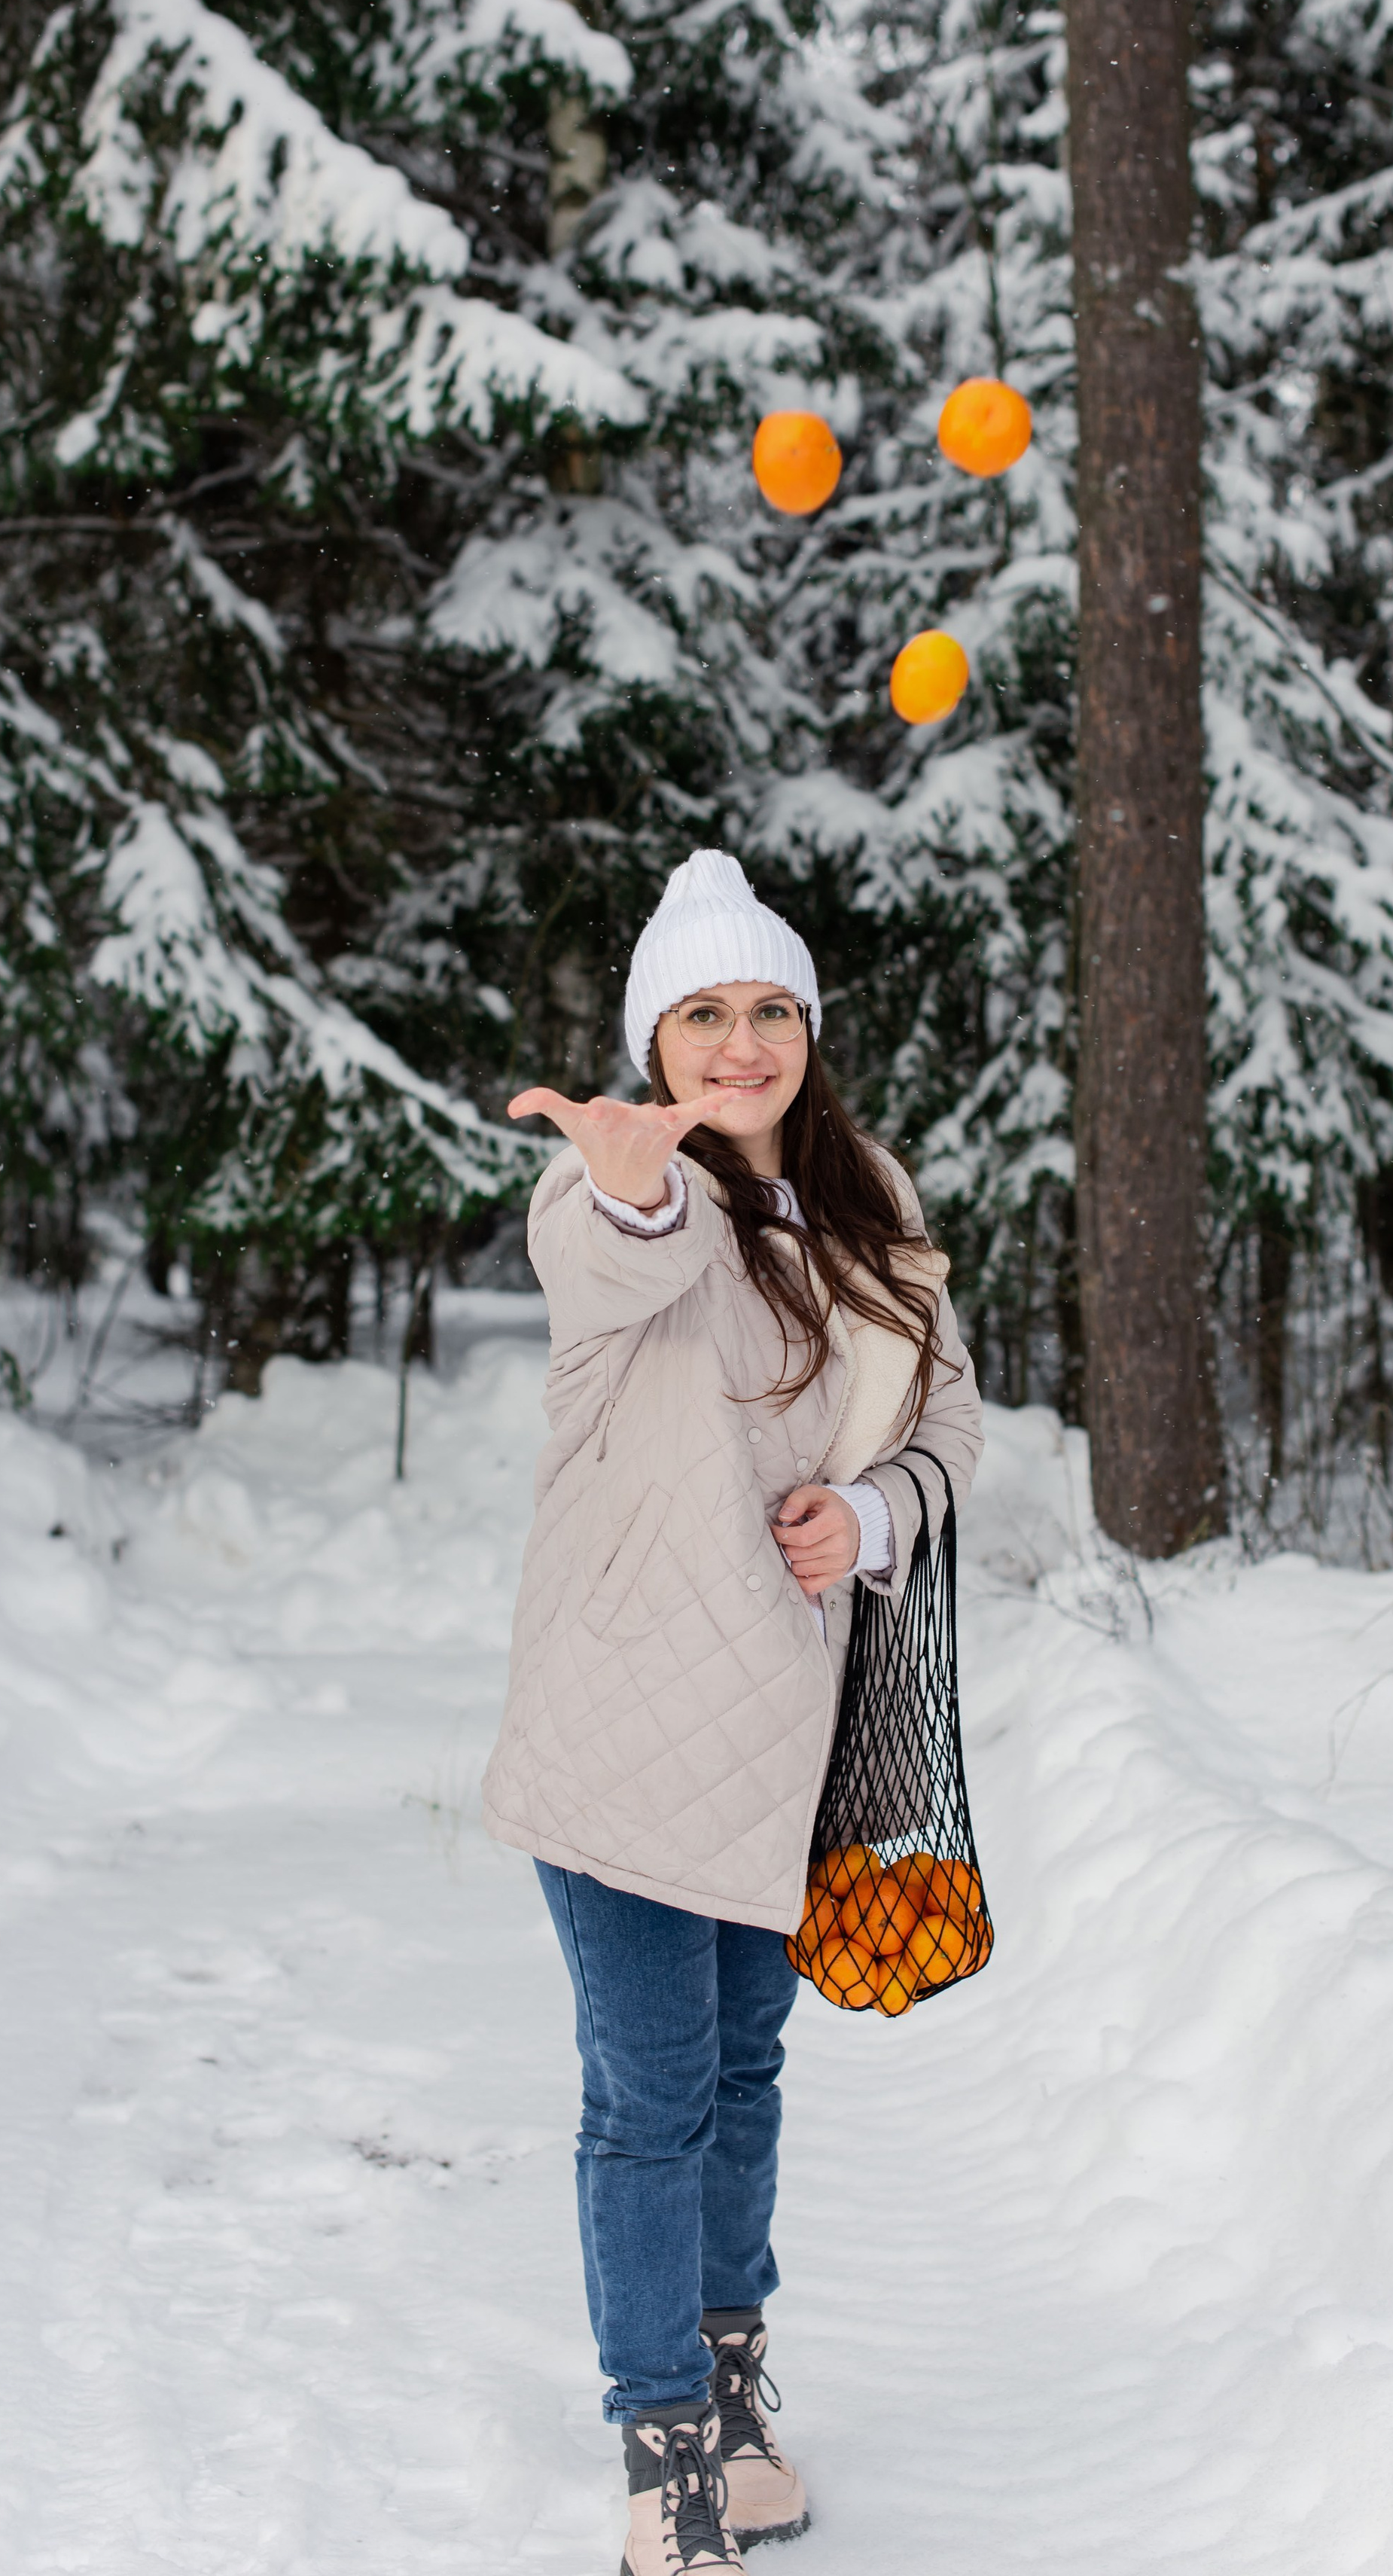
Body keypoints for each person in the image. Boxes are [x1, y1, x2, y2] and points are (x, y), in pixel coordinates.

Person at [483, 849, 984, 2576]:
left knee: (743, 2076)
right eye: (702, 1012)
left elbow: (948, 1425)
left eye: (770, 1007)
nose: (742, 1041)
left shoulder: (868, 1199)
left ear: (808, 1029)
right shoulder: (620, 1192)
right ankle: (664, 2453)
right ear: (655, 1040)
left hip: (791, 1737)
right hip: (623, 1735)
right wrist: (628, 1182)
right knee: (651, 2097)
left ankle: (732, 2382)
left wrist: (875, 1512)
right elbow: (606, 1254)